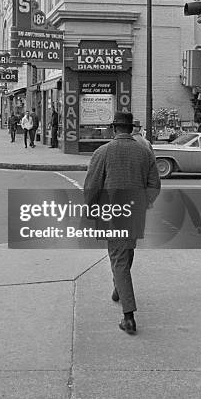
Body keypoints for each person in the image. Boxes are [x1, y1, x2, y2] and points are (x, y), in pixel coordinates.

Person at [83, 112, 161, 335]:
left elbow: (92, 186)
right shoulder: (145, 152)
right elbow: (154, 184)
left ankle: (128, 317)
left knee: (118, 258)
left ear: (114, 128)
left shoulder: (102, 152)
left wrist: (89, 208)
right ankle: (119, 288)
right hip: (134, 210)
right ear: (132, 129)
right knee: (126, 252)